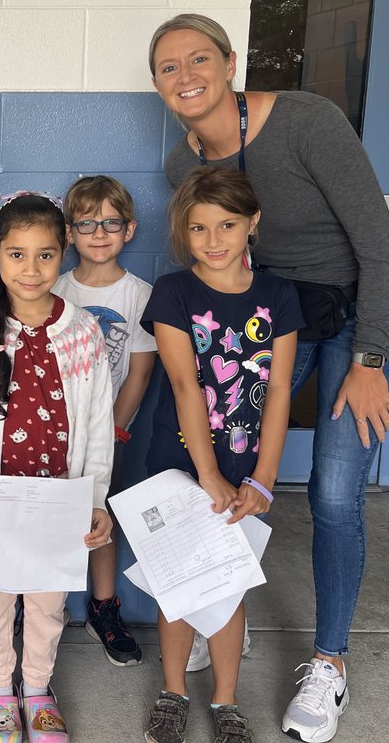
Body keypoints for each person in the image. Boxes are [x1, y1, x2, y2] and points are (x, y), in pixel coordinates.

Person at [150, 14, 389, 743]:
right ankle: (212, 606)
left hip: (368, 305)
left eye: (198, 59)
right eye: (168, 67)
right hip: (277, 314)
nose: (186, 77)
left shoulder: (307, 120)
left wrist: (369, 360)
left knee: (335, 491)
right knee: (220, 452)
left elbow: (378, 244)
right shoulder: (186, 169)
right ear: (156, 83)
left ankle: (329, 662)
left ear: (231, 62)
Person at [140, 167, 301, 743]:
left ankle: (226, 698)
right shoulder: (173, 292)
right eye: (199, 227)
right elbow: (185, 386)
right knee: (179, 582)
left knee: (228, 586)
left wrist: (264, 478)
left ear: (252, 223)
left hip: (245, 466)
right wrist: (206, 474)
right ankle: (174, 689)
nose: (213, 239)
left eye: (227, 224)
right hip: (183, 464)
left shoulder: (279, 296)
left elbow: (279, 389)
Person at [0, 193, 114, 743]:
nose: (31, 268)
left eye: (45, 254)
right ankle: (0, 693)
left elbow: (96, 427)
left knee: (46, 607)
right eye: (17, 254)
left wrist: (96, 501)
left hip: (59, 504)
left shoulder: (84, 331)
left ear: (64, 251)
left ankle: (38, 690)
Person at [53, 175, 157, 668]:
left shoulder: (140, 295)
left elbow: (137, 372)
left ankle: (102, 606)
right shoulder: (52, 287)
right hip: (51, 429)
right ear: (69, 233)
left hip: (106, 434)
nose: (100, 233)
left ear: (129, 230)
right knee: (46, 516)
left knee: (100, 518)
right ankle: (37, 609)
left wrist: (111, 431)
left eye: (111, 223)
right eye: (87, 223)